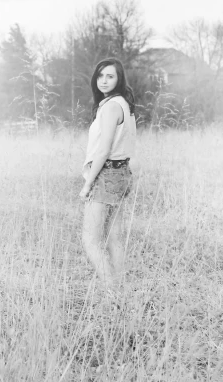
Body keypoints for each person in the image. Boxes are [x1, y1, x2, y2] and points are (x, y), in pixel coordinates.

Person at [79, 57, 137, 290]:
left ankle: (113, 292)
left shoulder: (111, 107)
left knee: (90, 240)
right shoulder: (122, 103)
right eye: (100, 75)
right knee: (114, 236)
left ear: (119, 79)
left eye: (110, 76)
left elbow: (103, 150)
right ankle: (121, 287)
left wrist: (87, 185)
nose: (103, 80)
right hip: (122, 172)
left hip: (107, 174)